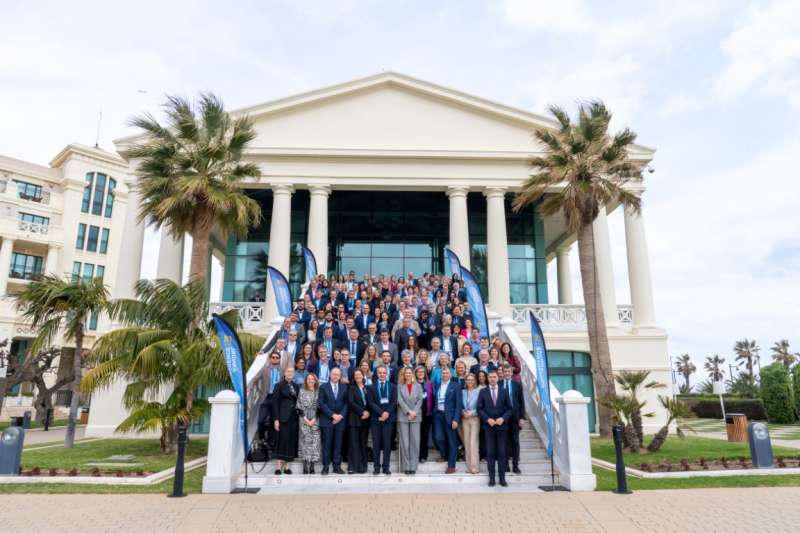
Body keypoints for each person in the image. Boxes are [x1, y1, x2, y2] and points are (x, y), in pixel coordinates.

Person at [477, 369, 512, 487]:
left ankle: (502, 479)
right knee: (490, 453)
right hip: (489, 427)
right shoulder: (482, 392)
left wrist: (503, 418)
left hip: (502, 427)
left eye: (494, 377)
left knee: (502, 452)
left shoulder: (504, 391)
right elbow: (479, 409)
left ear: (498, 378)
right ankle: (491, 479)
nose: (492, 379)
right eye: (490, 377)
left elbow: (510, 408)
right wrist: (487, 419)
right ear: (488, 379)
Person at [318, 368, 348, 475]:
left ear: (340, 376)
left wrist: (340, 416)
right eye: (334, 374)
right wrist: (333, 415)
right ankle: (326, 466)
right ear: (330, 375)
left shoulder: (344, 387)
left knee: (338, 444)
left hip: (340, 421)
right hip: (327, 420)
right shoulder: (323, 387)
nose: (335, 376)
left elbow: (347, 403)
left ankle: (337, 466)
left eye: (337, 375)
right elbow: (321, 404)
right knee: (327, 444)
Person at [367, 365, 397, 475]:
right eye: (380, 373)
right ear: (377, 374)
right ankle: (376, 467)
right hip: (376, 419)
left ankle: (386, 467)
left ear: (387, 374)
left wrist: (387, 413)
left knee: (387, 444)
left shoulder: (393, 386)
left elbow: (394, 402)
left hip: (389, 419)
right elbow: (370, 402)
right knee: (376, 444)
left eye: (384, 373)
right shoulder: (371, 387)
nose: (382, 374)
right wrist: (381, 413)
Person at [433, 366, 462, 473]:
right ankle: (445, 455)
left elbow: (459, 404)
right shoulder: (437, 385)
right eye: (443, 373)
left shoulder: (456, 386)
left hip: (450, 417)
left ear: (450, 374)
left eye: (446, 373)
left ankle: (451, 466)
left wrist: (456, 419)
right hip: (438, 416)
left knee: (452, 441)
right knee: (438, 438)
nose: (445, 375)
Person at [271, 367, 299, 475]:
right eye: (288, 371)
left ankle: (287, 467)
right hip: (282, 417)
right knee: (281, 440)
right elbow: (275, 403)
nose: (290, 373)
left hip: (293, 417)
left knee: (290, 441)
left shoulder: (296, 386)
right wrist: (276, 419)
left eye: (292, 372)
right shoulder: (278, 385)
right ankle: (278, 467)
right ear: (284, 373)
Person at [396, 367, 422, 475]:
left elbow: (420, 400)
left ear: (412, 374)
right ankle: (406, 466)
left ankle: (413, 466)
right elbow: (399, 400)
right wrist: (408, 412)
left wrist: (414, 412)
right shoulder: (399, 386)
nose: (408, 374)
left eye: (409, 373)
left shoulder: (418, 386)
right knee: (405, 442)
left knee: (415, 442)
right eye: (406, 373)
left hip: (416, 416)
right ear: (403, 375)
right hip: (403, 416)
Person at [501, 362, 525, 474]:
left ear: (511, 373)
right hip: (502, 418)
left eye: (508, 371)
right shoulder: (499, 384)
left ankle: (515, 465)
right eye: (505, 371)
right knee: (504, 442)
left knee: (515, 441)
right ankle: (506, 465)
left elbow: (521, 402)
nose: (507, 373)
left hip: (515, 417)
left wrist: (522, 417)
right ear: (502, 373)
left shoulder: (517, 384)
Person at [346, 368, 371, 474]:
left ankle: (362, 467)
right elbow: (351, 402)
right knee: (353, 443)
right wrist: (362, 412)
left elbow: (370, 402)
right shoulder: (351, 388)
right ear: (354, 377)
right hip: (354, 419)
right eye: (355, 375)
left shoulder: (367, 388)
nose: (358, 376)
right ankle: (352, 467)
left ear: (362, 375)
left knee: (363, 443)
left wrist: (368, 412)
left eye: (359, 374)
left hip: (365, 420)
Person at [297, 372, 321, 474]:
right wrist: (305, 419)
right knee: (305, 441)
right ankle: (305, 463)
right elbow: (298, 407)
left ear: (315, 381)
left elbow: (320, 407)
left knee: (315, 441)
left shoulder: (319, 392)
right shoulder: (301, 391)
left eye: (312, 379)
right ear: (306, 381)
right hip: (304, 419)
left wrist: (314, 419)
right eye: (308, 379)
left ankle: (312, 464)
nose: (310, 380)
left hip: (316, 418)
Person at [459, 372, 481, 474]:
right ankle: (469, 467)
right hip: (464, 419)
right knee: (467, 443)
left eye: (472, 380)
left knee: (473, 442)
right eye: (468, 380)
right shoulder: (462, 392)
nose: (470, 381)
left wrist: (472, 412)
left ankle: (475, 467)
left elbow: (480, 406)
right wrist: (462, 412)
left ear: (475, 381)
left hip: (475, 418)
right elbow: (459, 405)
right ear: (466, 381)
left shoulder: (479, 392)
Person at [415, 365, 434, 463]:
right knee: (415, 436)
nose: (420, 373)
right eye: (418, 372)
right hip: (415, 414)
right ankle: (415, 455)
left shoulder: (429, 384)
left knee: (424, 436)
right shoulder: (412, 384)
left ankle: (423, 455)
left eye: (422, 372)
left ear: (425, 373)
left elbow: (433, 397)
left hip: (427, 414)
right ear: (415, 373)